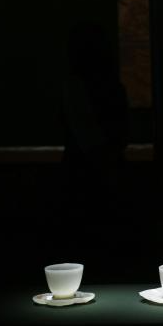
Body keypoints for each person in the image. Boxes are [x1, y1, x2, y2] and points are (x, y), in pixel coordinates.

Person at [62, 22, 129, 232]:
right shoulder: (110, 87)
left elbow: (87, 134)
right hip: (103, 168)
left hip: (86, 170)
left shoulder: (76, 87)